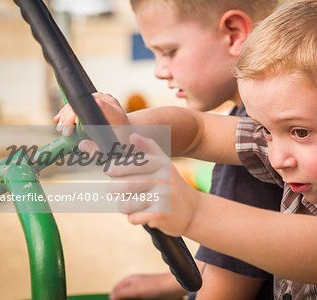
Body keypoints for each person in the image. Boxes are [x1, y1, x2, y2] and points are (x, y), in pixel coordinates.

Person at [73, 0, 317, 298]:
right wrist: (125, 126)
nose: (276, 158)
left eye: (301, 131)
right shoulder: (291, 142)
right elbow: (196, 132)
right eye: (265, 131)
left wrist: (194, 212)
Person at [54, 0, 282, 299]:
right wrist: (168, 283)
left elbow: (226, 286)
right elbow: (195, 130)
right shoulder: (255, 126)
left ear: (234, 34)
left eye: (169, 52)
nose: (160, 71)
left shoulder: (249, 159)